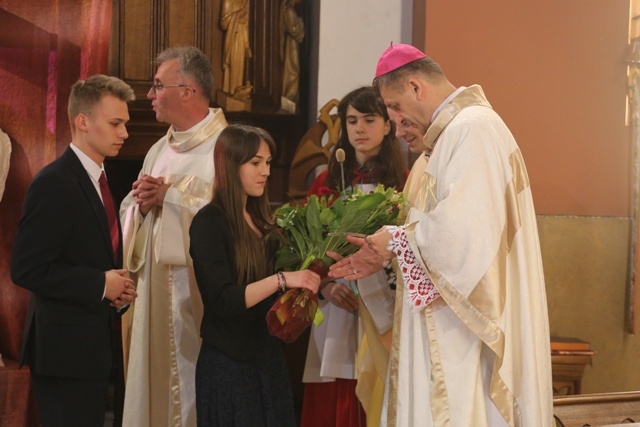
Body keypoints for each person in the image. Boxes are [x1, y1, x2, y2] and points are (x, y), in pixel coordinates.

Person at [329, 44, 553, 426]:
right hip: (445, 326)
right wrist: (389, 249)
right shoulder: (450, 138)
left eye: (395, 108)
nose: (396, 126)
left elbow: (465, 238)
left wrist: (395, 242)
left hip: (462, 340)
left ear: (417, 87)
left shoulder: (473, 130)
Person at [11, 74, 138, 427]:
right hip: (62, 355)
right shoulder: (55, 182)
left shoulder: (98, 178)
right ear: (82, 122)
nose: (124, 133)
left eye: (125, 124)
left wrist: (114, 290)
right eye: (116, 123)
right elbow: (27, 268)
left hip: (88, 351)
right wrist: (100, 284)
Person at [119, 46, 229, 427]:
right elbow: (129, 210)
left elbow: (233, 219)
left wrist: (172, 197)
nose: (149, 95)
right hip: (153, 293)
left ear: (187, 90)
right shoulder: (157, 150)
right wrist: (143, 206)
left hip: (197, 293)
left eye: (157, 86)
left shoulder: (227, 149)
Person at [189, 124, 321, 426]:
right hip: (230, 365)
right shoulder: (209, 222)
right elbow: (222, 300)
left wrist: (318, 268)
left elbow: (287, 285)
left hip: (267, 359)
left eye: (268, 163)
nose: (266, 171)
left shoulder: (265, 221)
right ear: (230, 164)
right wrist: (283, 279)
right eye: (255, 163)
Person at [300, 86, 408, 427]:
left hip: (384, 305)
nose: (359, 129)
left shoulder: (403, 183)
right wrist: (326, 286)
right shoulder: (326, 183)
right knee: (335, 390)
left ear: (388, 125)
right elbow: (308, 250)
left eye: (369, 119)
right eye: (351, 120)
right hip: (337, 304)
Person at [220, 0, 251, 95]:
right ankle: (232, 92)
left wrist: (247, 44)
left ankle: (238, 92)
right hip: (233, 36)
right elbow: (223, 24)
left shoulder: (245, 1)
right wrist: (237, 15)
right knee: (233, 63)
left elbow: (246, 24)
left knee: (240, 65)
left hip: (242, 36)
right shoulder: (228, 1)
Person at [280, 0, 304, 102]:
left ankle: (291, 97)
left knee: (293, 70)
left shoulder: (291, 10)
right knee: (292, 70)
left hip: (292, 44)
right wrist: (301, 22)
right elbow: (293, 31)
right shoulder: (289, 10)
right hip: (291, 45)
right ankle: (289, 96)